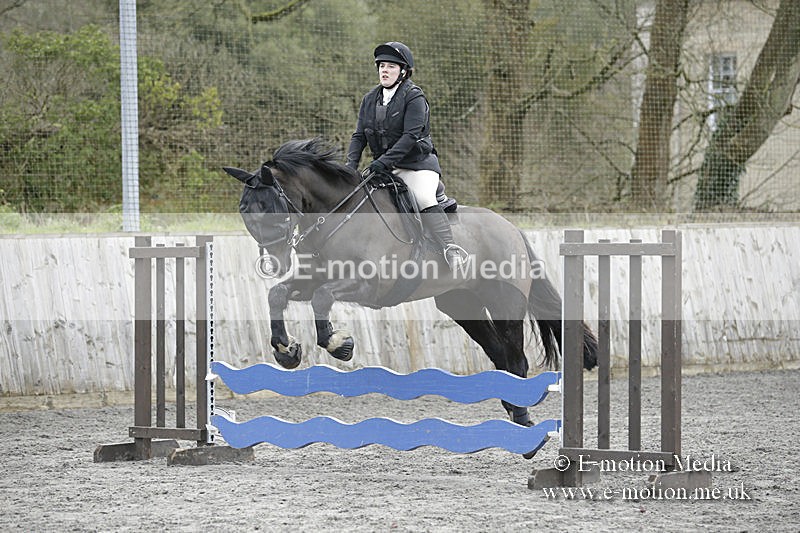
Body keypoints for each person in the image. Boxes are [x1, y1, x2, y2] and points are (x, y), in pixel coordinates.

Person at [346, 41, 467, 270]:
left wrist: (381, 162)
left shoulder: (414, 97)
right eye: (381, 65)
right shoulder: (369, 99)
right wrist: (349, 167)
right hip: (384, 168)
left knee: (422, 197)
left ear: (403, 71)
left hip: (417, 166)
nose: (384, 70)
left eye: (391, 66)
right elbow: (359, 135)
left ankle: (451, 248)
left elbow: (410, 137)